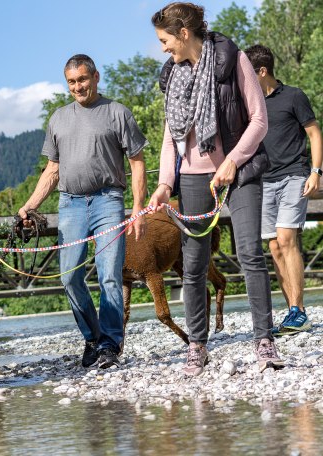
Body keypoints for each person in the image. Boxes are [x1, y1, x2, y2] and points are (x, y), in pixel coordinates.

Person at [149, 2, 284, 376]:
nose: (163, 48)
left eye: (165, 40)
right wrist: (164, 184)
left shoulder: (233, 60)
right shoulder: (173, 75)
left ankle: (264, 339)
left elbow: (259, 120)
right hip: (192, 178)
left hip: (239, 173)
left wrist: (233, 161)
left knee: (249, 254)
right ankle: (197, 346)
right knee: (193, 266)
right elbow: (169, 140)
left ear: (184, 34)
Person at [18, 54, 148, 369]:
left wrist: (139, 208)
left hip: (108, 200)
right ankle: (92, 337)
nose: (78, 87)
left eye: (83, 80)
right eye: (72, 82)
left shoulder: (117, 113)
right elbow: (52, 170)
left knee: (109, 276)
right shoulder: (58, 118)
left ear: (96, 77)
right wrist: (30, 205)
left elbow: (137, 162)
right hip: (70, 204)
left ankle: (110, 346)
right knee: (69, 277)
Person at [245, 45, 323, 336]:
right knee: (274, 246)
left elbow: (314, 133)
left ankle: (299, 311)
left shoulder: (293, 96)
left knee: (286, 238)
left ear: (262, 71)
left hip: (294, 175)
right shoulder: (250, 105)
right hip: (264, 180)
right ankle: (292, 309)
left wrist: (316, 172)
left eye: (248, 74)